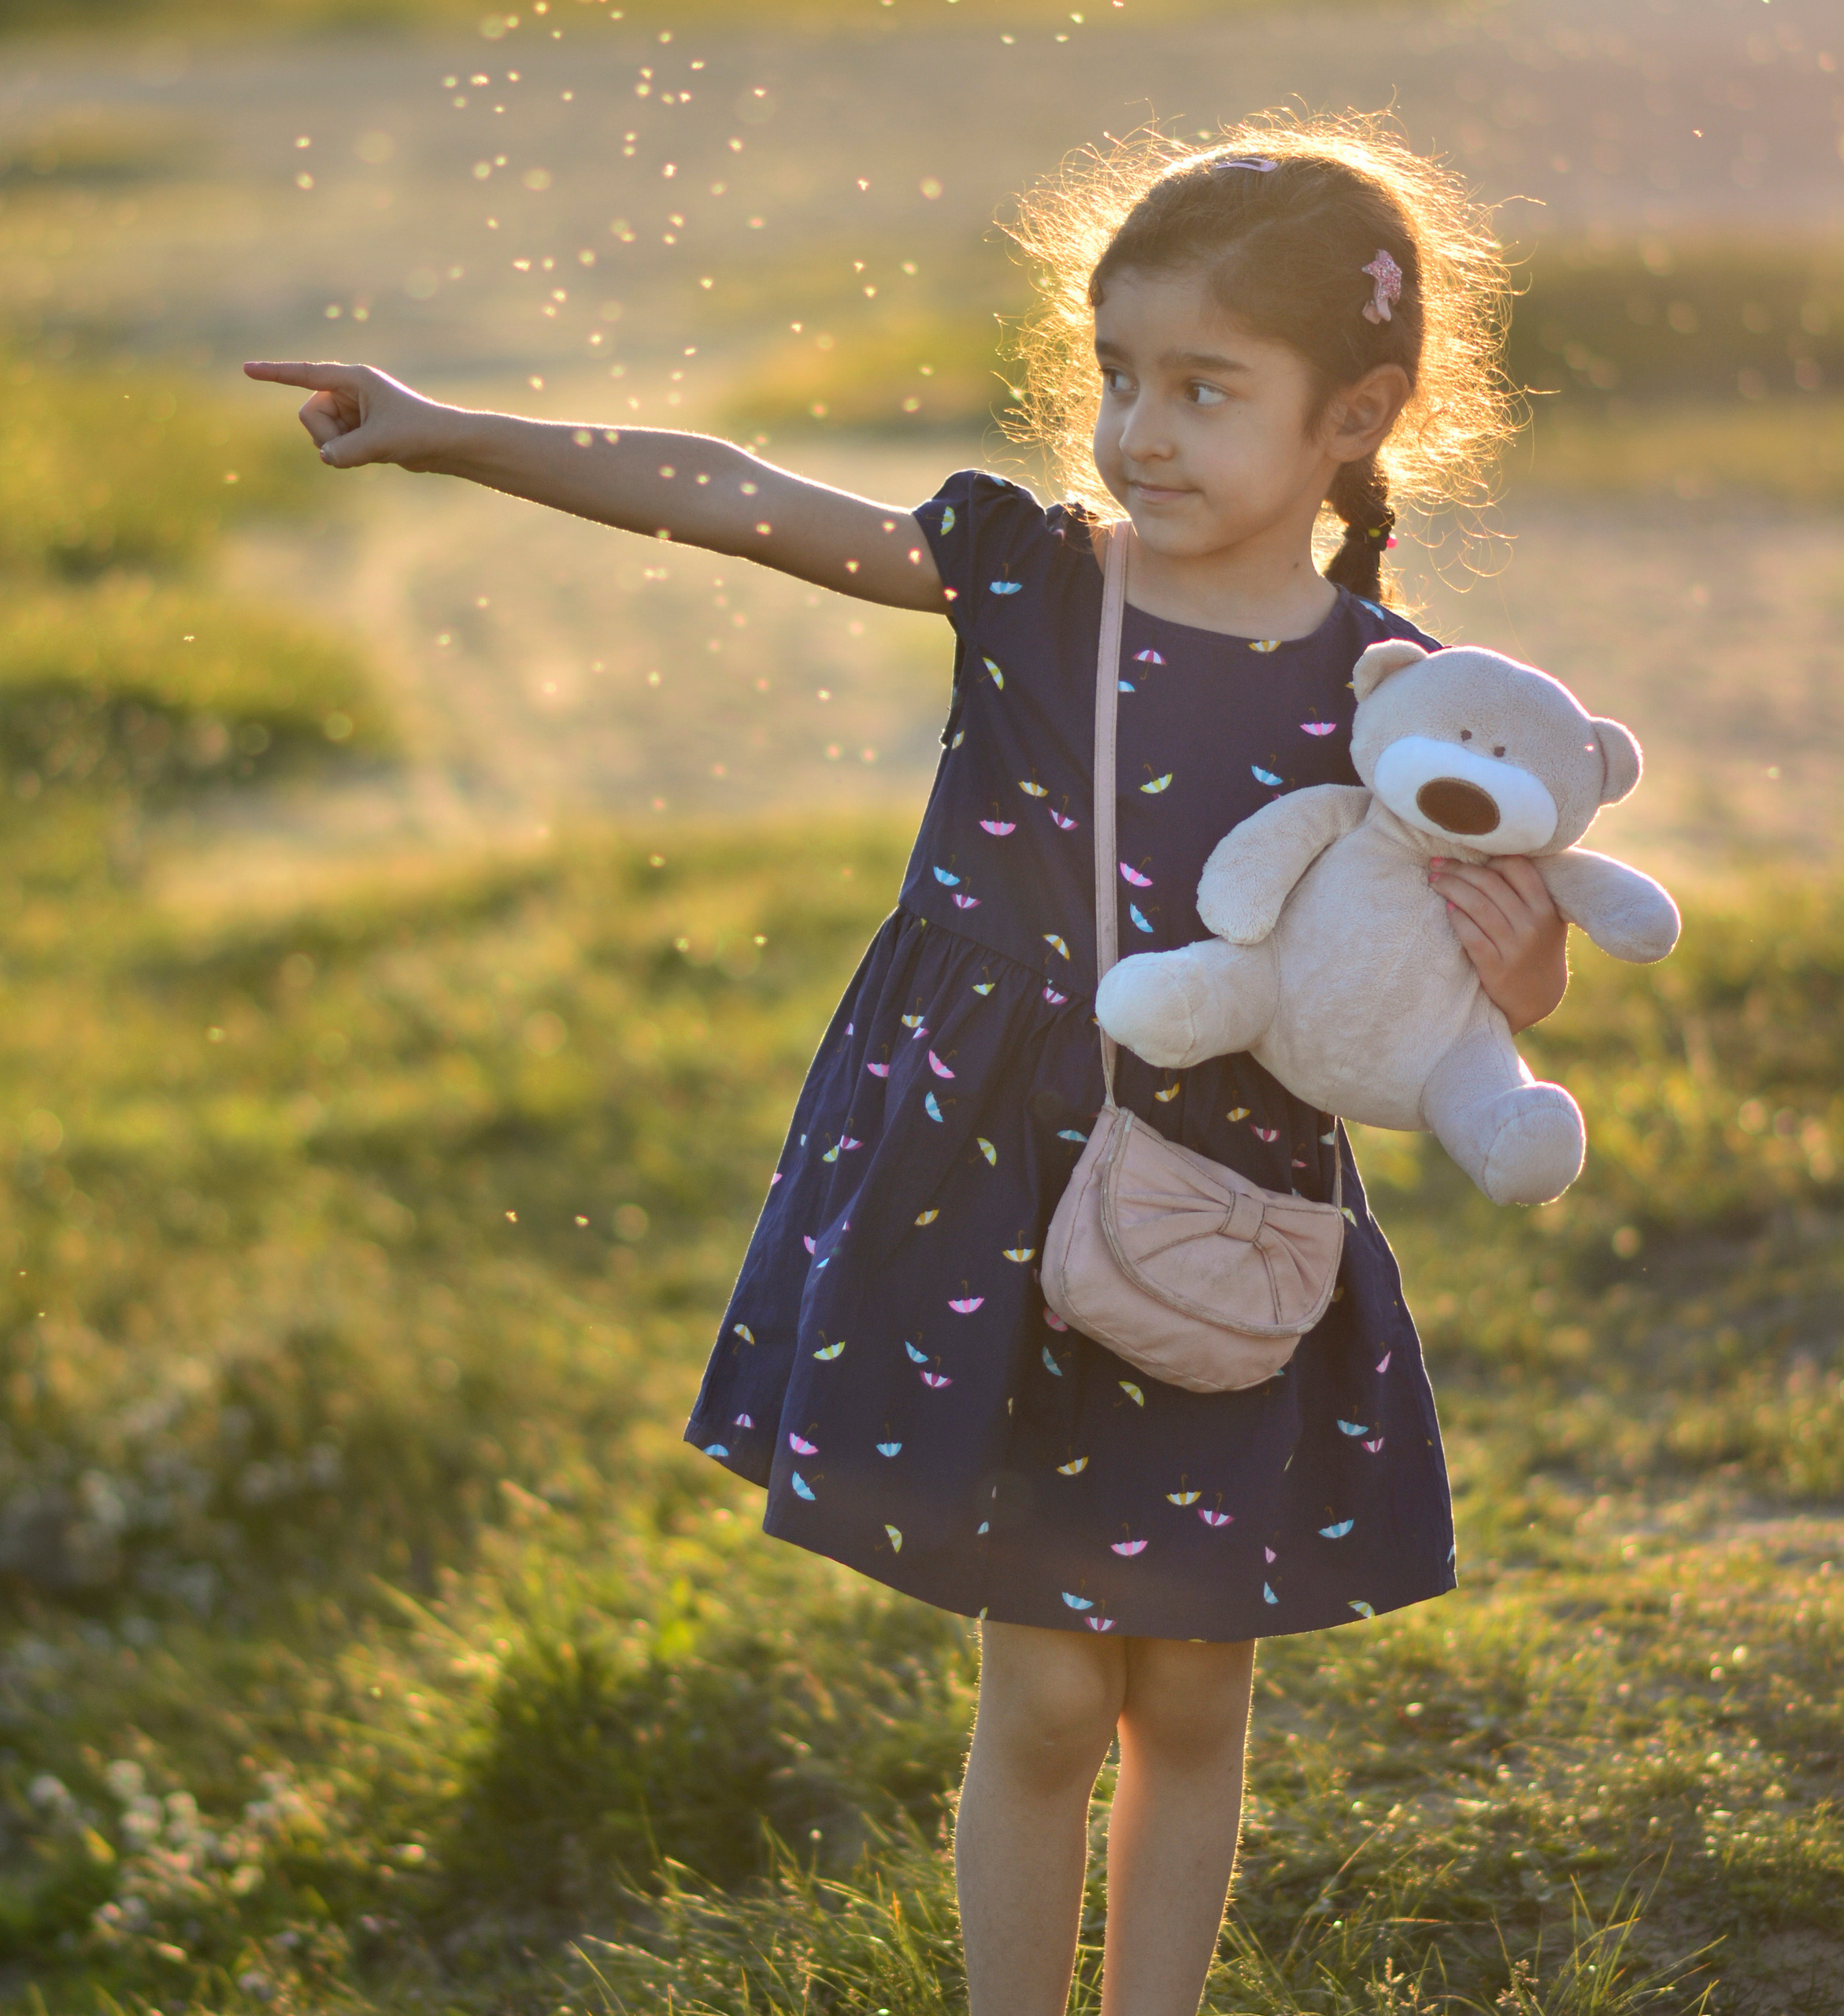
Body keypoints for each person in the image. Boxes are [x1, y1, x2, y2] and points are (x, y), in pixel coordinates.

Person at [246, 113, 1564, 2016]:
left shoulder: (1393, 697)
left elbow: (1440, 995)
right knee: (1042, 1686)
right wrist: (448, 426)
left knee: (1193, 1677)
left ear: (1350, 415)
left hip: (1225, 1207)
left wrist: (1523, 983)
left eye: (1205, 387)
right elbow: (730, 489)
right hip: (997, 1189)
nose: (1139, 429)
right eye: (1116, 373)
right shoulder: (1033, 579)